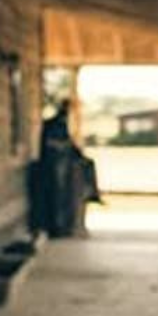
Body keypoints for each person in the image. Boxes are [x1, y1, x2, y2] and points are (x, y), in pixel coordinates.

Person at [34, 100, 102, 236]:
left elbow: (70, 145)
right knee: (59, 189)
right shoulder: (53, 125)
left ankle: (92, 194)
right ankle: (58, 224)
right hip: (53, 165)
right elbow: (54, 145)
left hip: (62, 161)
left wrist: (81, 156)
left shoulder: (62, 124)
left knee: (88, 165)